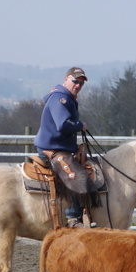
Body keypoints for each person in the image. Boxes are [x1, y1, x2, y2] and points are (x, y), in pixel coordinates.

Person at [34, 67, 93, 227]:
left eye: (81, 83)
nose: (78, 85)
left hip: (59, 147)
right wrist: (80, 125)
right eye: (75, 81)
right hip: (52, 149)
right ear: (66, 79)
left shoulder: (67, 98)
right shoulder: (60, 98)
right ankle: (73, 218)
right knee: (77, 176)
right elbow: (63, 124)